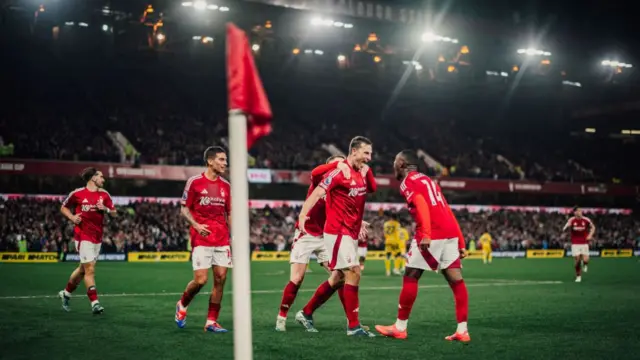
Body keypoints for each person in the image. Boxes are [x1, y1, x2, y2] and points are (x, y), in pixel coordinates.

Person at [375, 150, 470, 342]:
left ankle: (400, 327)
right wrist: (460, 241)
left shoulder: (408, 181)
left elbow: (420, 204)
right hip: (449, 232)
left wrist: (426, 233)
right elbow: (446, 207)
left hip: (432, 231)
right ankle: (462, 330)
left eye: (395, 161)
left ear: (402, 163)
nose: (393, 165)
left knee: (411, 274)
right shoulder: (429, 180)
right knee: (456, 280)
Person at [295, 136, 377, 336]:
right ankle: (354, 327)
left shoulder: (360, 172)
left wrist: (368, 170)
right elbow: (316, 192)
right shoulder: (339, 172)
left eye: (371, 154)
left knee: (339, 278)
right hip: (337, 231)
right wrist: (303, 215)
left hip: (350, 231)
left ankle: (306, 313)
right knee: (354, 271)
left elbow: (373, 189)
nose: (369, 157)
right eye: (366, 153)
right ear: (354, 151)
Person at [275, 155, 350, 331]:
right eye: (335, 164)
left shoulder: (341, 188)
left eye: (342, 163)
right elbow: (315, 171)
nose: (340, 167)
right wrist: (337, 163)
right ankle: (281, 318)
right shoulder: (320, 180)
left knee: (341, 277)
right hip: (306, 233)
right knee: (297, 278)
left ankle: (349, 320)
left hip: (326, 237)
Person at [175, 146, 232, 333]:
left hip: (222, 239)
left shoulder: (226, 186)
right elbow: (184, 208)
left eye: (226, 160)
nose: (225, 163)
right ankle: (182, 304)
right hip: (201, 238)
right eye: (222, 159)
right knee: (200, 281)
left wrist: (235, 235)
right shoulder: (195, 182)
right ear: (210, 161)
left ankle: (211, 322)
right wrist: (196, 225)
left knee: (220, 279)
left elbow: (229, 213)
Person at [58, 167, 116, 314]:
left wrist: (106, 209)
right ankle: (95, 303)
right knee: (90, 269)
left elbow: (115, 213)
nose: (103, 179)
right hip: (82, 235)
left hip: (97, 237)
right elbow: (63, 208)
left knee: (83, 269)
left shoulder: (105, 195)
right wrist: (72, 217)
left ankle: (66, 293)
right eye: (101, 177)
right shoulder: (77, 193)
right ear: (93, 178)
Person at [562, 207, 595, 283]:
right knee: (577, 260)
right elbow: (565, 228)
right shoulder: (571, 220)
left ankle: (585, 264)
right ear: (575, 212)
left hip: (584, 243)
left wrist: (590, 235)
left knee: (586, 260)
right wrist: (566, 228)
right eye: (578, 211)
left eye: (581, 211)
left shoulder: (586, 219)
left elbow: (593, 227)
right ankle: (578, 276)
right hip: (575, 243)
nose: (580, 212)